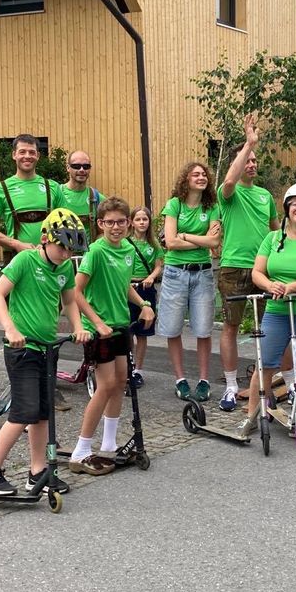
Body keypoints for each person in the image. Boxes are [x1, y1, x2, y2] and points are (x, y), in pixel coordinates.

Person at [0, 209, 88, 496]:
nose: (65, 252)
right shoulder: (25, 260)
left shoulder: (64, 268)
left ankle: (37, 471)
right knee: (23, 412)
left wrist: (77, 327)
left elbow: (70, 301)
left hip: (48, 349)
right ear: (45, 239)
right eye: (62, 245)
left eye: (70, 247)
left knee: (43, 413)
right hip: (22, 350)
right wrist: (11, 329)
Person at [68, 198, 156, 475]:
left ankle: (108, 444)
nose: (116, 227)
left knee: (120, 382)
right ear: (100, 224)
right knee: (105, 386)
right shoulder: (96, 251)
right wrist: (96, 322)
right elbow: (75, 292)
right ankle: (80, 450)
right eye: (110, 222)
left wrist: (143, 304)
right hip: (99, 329)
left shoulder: (128, 249)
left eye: (121, 221)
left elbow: (125, 286)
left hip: (120, 325)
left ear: (129, 223)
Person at [238, 183, 296, 437]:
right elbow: (257, 272)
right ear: (287, 207)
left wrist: (292, 286)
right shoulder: (272, 238)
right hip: (277, 309)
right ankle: (251, 416)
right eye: (295, 203)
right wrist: (271, 285)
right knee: (265, 363)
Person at [216, 115, 279, 411]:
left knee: (269, 327)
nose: (252, 164)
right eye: (247, 160)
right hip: (233, 266)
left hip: (262, 270)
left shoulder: (266, 196)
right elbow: (229, 179)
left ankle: (262, 385)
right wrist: (248, 142)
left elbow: (276, 232)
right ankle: (230, 386)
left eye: (255, 160)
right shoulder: (228, 193)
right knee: (231, 325)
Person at [157, 162, 221, 402]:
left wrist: (185, 235)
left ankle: (204, 381)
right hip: (175, 273)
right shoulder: (174, 205)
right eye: (195, 174)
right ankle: (180, 379)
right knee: (173, 329)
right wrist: (201, 240)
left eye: (204, 174)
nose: (201, 177)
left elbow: (215, 243)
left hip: (203, 272)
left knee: (204, 330)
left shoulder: (212, 207)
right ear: (186, 179)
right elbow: (170, 243)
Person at [0, 134, 67, 263]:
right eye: (22, 152)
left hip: (50, 259)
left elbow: (65, 224)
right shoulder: (0, 189)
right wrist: (16, 244)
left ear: (38, 156)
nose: (27, 156)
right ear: (14, 155)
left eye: (32, 152)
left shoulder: (53, 187)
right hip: (16, 260)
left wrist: (50, 244)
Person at [127, 205, 164, 385]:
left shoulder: (153, 244)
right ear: (131, 222)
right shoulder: (126, 242)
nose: (142, 222)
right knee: (127, 329)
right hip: (128, 288)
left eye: (145, 219)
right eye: (138, 219)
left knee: (142, 332)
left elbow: (158, 265)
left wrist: (151, 277)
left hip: (145, 287)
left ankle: (138, 370)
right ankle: (127, 365)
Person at [62, 149, 107, 241]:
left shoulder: (97, 198)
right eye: (76, 166)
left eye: (86, 166)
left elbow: (106, 230)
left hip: (89, 253)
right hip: (62, 254)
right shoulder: (57, 194)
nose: (82, 170)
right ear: (68, 167)